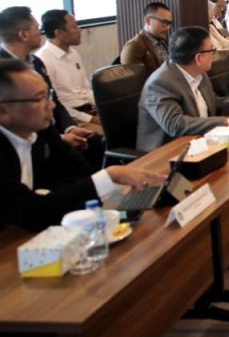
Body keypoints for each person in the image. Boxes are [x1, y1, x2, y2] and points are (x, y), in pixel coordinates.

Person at [0, 60, 166, 231]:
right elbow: (29, 211)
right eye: (38, 99)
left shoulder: (38, 130)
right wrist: (107, 176)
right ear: (3, 111)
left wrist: (107, 189)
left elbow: (74, 169)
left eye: (48, 96)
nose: (51, 105)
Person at [136, 27, 229, 152]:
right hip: (166, 153)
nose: (214, 54)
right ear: (198, 58)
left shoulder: (198, 73)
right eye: (212, 50)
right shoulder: (161, 83)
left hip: (200, 141)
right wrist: (224, 122)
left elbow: (214, 103)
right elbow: (176, 124)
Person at [0, 7, 92, 152]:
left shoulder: (36, 62)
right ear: (23, 35)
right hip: (31, 145)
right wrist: (60, 138)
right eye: (37, 29)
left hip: (53, 132)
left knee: (96, 143)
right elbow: (18, 122)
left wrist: (69, 128)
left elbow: (53, 99)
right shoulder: (4, 70)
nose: (41, 32)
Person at [36, 10, 100, 125]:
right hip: (71, 119)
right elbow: (56, 104)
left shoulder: (73, 53)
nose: (79, 30)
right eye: (74, 27)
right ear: (59, 33)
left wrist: (103, 107)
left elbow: (85, 90)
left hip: (91, 111)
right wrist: (91, 119)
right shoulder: (43, 60)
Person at [121, 2, 172, 75]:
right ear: (148, 21)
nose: (168, 28)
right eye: (163, 22)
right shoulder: (133, 46)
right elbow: (131, 79)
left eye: (169, 23)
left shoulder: (164, 42)